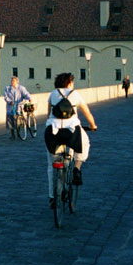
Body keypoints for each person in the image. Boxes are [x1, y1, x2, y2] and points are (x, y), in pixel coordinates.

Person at [44, 72, 97, 206]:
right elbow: (87, 113)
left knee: (51, 164)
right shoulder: (75, 94)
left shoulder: (52, 94)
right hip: (71, 131)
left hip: (53, 132)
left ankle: (52, 196)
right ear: (69, 83)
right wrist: (93, 126)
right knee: (84, 143)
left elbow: (48, 114)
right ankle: (77, 168)